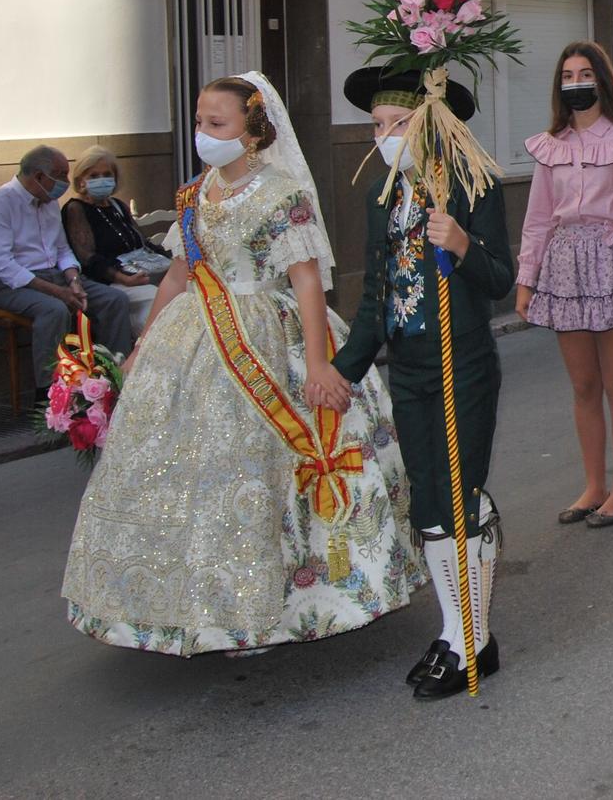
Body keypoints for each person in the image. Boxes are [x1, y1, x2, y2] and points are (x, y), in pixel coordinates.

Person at [62, 74, 417, 656]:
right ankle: (188, 608)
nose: (204, 133)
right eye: (200, 122)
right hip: (194, 335)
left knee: (254, 475)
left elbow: (305, 282)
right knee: (178, 473)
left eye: (217, 124)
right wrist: (148, 338)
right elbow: (180, 273)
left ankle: (276, 607)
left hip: (268, 336)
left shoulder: (281, 194)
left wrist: (321, 365)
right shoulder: (195, 194)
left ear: (252, 132)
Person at [335, 64, 515, 699]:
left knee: (459, 496)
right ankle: (454, 629)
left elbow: (500, 280)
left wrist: (462, 244)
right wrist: (343, 370)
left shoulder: (470, 183)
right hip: (409, 367)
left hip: (460, 363)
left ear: (432, 122)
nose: (382, 136)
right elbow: (375, 296)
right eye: (376, 126)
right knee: (429, 503)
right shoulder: (382, 195)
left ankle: (475, 639)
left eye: (395, 123)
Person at [517, 42, 613, 530]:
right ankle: (594, 485)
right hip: (564, 269)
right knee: (582, 386)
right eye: (567, 75)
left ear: (601, 80)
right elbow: (536, 220)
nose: (575, 82)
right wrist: (526, 279)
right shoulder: (548, 145)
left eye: (585, 73)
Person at [0, 145, 137, 398]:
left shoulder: (48, 202)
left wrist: (73, 280)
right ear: (38, 176)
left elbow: (62, 250)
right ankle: (49, 395)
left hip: (54, 276)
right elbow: (2, 264)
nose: (65, 182)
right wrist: (58, 292)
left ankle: (118, 380)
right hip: (1, 284)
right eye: (60, 175)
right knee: (53, 310)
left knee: (114, 300)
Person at [62, 145, 170, 333]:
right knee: (157, 300)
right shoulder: (76, 209)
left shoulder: (117, 206)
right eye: (94, 176)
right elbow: (87, 258)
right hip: (110, 281)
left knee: (181, 294)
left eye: (106, 175)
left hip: (141, 274)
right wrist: (123, 278)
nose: (101, 180)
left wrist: (171, 260)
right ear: (81, 181)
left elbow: (142, 243)